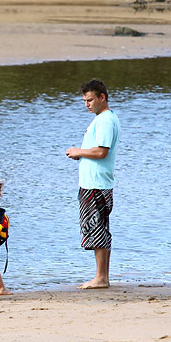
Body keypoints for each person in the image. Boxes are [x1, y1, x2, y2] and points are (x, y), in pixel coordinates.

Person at [65, 79, 120, 289]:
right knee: (101, 229)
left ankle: (100, 278)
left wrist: (78, 152)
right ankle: (103, 277)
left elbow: (101, 151)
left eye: (90, 100)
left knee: (97, 230)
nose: (86, 104)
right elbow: (97, 150)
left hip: (96, 184)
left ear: (102, 97)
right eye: (84, 101)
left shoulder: (105, 120)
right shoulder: (104, 118)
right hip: (97, 182)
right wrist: (81, 155)